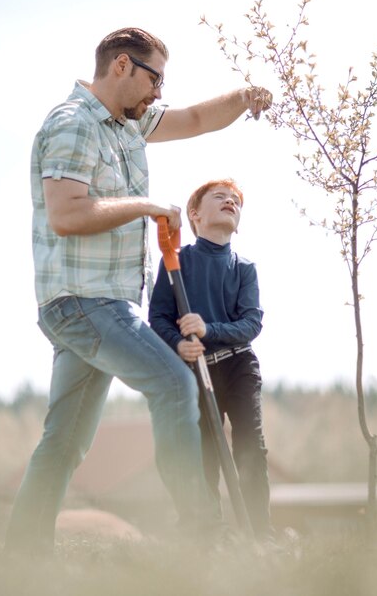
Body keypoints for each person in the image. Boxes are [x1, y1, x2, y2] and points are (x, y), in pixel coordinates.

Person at [5, 27, 273, 555]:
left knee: (64, 441)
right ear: (123, 65)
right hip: (83, 301)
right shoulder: (74, 124)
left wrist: (245, 98)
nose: (158, 94)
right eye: (155, 79)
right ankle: (201, 532)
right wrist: (146, 204)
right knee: (175, 384)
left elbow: (195, 120)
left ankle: (22, 557)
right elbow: (66, 214)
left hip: (99, 302)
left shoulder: (126, 126)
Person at [149, 179, 272, 541]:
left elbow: (251, 324)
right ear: (195, 215)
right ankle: (211, 536)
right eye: (220, 197)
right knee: (207, 451)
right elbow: (157, 316)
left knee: (251, 445)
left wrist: (207, 328)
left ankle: (260, 536)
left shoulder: (244, 268)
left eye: (235, 200)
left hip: (238, 366)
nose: (230, 202)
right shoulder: (178, 261)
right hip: (197, 368)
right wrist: (178, 344)